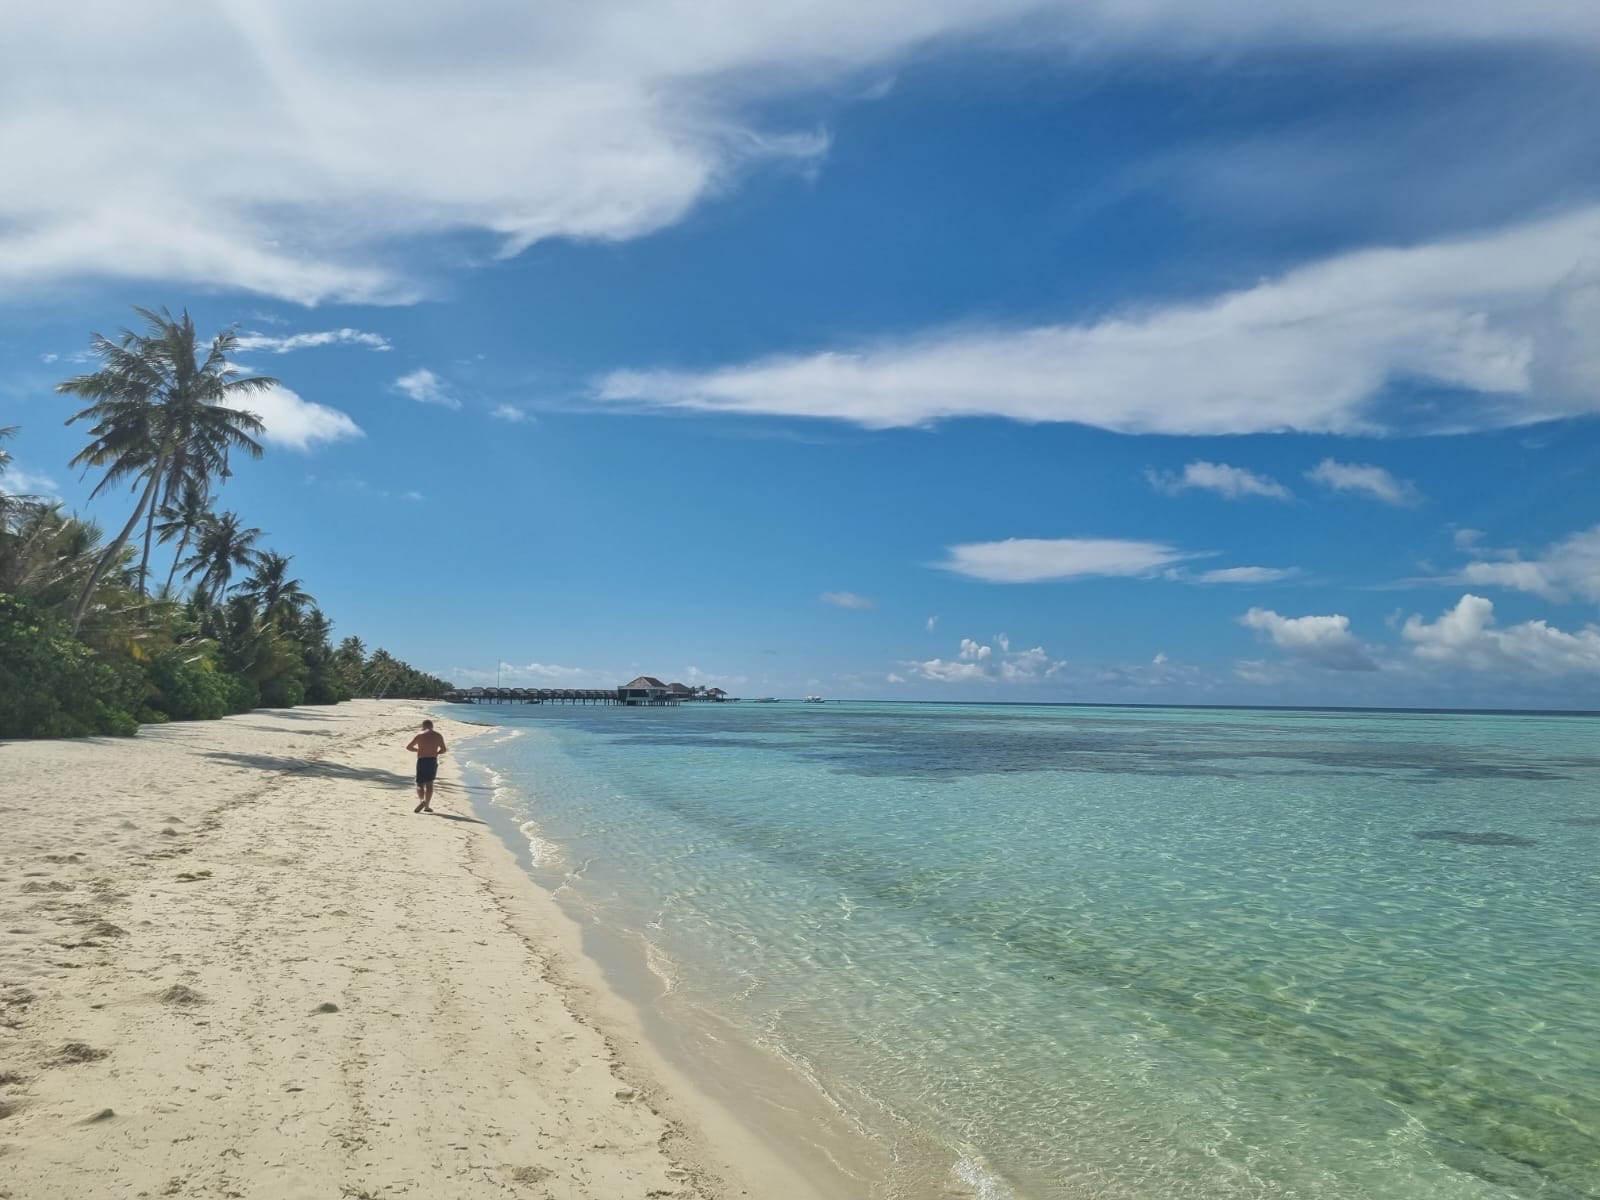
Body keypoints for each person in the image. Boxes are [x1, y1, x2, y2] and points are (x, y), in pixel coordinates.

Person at [406, 720, 448, 813]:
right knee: (429, 783)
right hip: (432, 760)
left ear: (423, 726)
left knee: (420, 783)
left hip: (422, 760)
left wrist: (418, 750)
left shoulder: (420, 735)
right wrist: (436, 752)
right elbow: (444, 749)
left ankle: (422, 801)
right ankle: (427, 805)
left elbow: (409, 747)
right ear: (432, 726)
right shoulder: (438, 735)